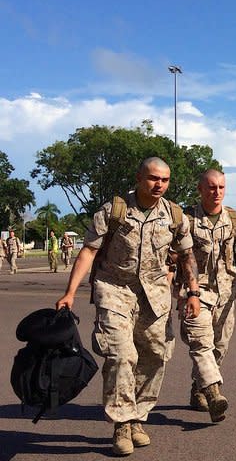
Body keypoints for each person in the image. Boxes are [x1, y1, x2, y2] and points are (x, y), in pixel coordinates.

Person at [55, 157, 200, 456]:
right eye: (152, 178)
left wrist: (194, 292)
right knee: (121, 355)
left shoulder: (174, 215)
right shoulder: (114, 211)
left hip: (155, 295)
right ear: (139, 178)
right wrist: (70, 292)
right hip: (115, 290)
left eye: (164, 179)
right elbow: (88, 252)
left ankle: (137, 417)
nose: (158, 184)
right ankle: (121, 422)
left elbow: (187, 256)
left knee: (156, 357)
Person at [177, 169, 236, 423]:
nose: (216, 192)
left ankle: (198, 389)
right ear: (200, 189)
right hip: (195, 291)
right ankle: (214, 393)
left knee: (220, 346)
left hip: (227, 291)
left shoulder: (234, 218)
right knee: (201, 341)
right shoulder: (186, 219)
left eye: (221, 187)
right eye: (210, 187)